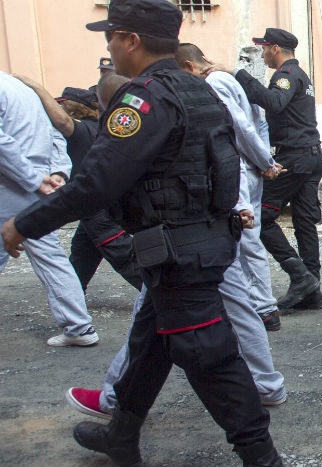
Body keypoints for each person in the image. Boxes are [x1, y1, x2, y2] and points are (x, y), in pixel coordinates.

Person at [0, 1, 282, 464]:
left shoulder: (142, 99)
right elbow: (223, 164)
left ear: (131, 40)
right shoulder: (198, 89)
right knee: (151, 341)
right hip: (196, 241)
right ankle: (122, 434)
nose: (108, 48)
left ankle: (262, 456)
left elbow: (96, 182)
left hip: (178, 251)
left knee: (210, 357)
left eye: (111, 37)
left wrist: (23, 223)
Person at [208, 27, 322, 311]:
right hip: (309, 156)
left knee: (260, 217)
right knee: (305, 223)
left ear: (274, 48)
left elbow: (274, 102)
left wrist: (238, 74)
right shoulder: (300, 75)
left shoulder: (285, 76)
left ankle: (301, 276)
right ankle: (311, 289)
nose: (262, 54)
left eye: (264, 49)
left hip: (295, 158)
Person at [178, 43, 285, 332]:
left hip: (237, 167)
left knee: (243, 242)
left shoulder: (213, 83)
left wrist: (266, 161)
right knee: (250, 240)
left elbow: (241, 128)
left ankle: (260, 308)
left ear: (188, 67)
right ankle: (260, 307)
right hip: (247, 165)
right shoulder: (227, 79)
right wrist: (264, 160)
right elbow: (256, 123)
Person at [13, 74, 144, 293]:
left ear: (73, 111)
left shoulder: (82, 131)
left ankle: (158, 296)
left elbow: (62, 122)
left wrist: (35, 85)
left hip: (97, 210)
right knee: (82, 253)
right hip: (95, 207)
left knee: (124, 256)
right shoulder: (103, 126)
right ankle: (73, 294)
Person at [0, 71, 96, 347]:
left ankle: (79, 326)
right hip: (38, 179)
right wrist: (58, 173)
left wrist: (31, 177)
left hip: (13, 182)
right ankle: (79, 326)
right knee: (50, 255)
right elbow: (54, 134)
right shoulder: (22, 89)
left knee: (44, 253)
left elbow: (3, 144)